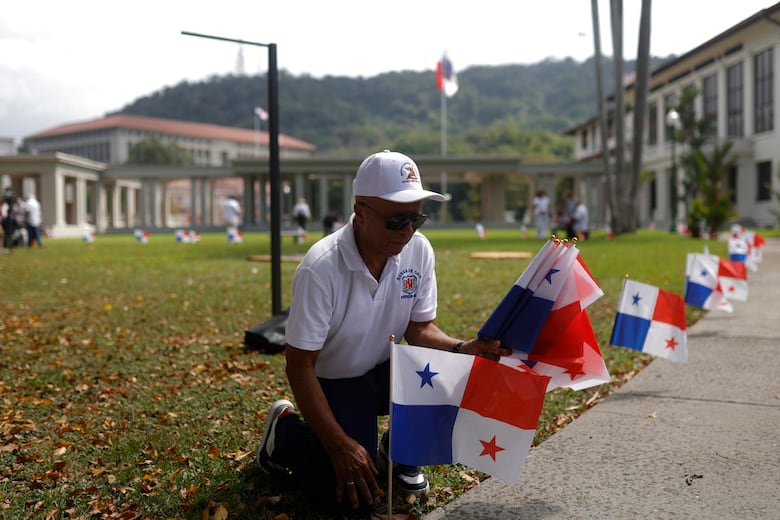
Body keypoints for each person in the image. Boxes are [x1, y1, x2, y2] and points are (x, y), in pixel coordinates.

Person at [255, 150, 509, 514]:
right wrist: (340, 446)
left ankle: (400, 451)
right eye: (396, 220)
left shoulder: (418, 251)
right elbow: (299, 366)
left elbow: (419, 329)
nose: (407, 231)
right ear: (360, 211)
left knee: (458, 377)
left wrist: (463, 348)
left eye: (416, 218)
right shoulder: (320, 269)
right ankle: (285, 434)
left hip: (387, 369)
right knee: (351, 497)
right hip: (337, 381)